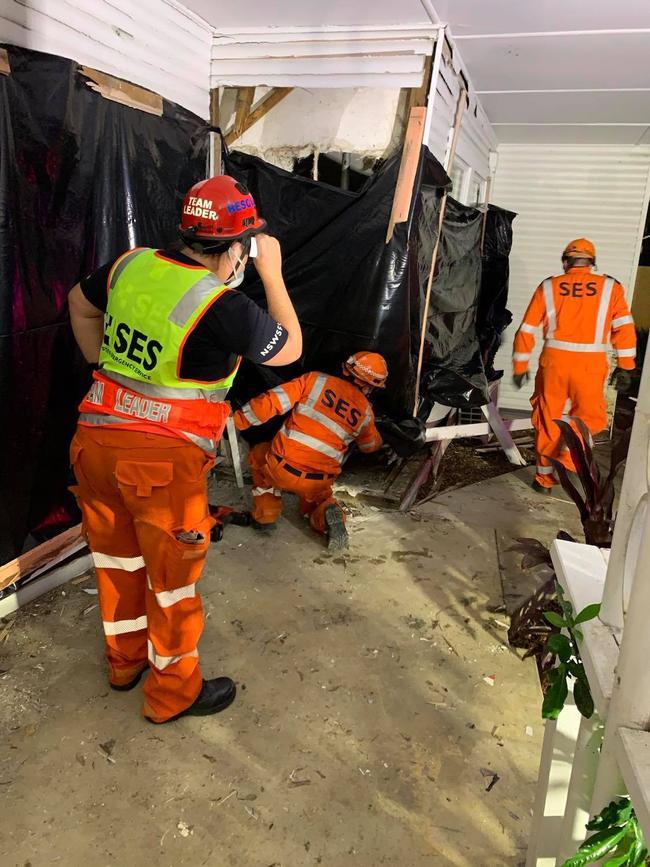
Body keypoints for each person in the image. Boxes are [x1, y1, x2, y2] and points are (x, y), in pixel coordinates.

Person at [67, 176, 302, 723]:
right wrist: (273, 273)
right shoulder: (221, 305)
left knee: (118, 564)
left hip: (95, 444)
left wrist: (102, 374)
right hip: (159, 466)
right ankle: (173, 695)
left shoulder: (131, 265)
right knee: (171, 584)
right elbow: (289, 351)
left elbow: (80, 306)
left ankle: (124, 663)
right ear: (238, 248)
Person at [512, 238, 636, 493]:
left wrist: (520, 365)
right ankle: (569, 456)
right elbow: (623, 328)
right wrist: (625, 366)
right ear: (592, 262)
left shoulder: (549, 287)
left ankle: (544, 480)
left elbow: (526, 330)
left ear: (565, 261)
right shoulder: (610, 287)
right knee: (589, 417)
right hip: (589, 366)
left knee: (548, 419)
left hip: (554, 364)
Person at [233, 352, 387, 550]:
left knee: (259, 455)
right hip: (318, 479)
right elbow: (369, 446)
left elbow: (270, 403)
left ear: (344, 368)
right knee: (319, 499)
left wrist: (236, 420)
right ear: (370, 387)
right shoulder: (366, 412)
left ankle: (266, 517)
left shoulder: (314, 380)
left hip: (282, 468)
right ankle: (327, 514)